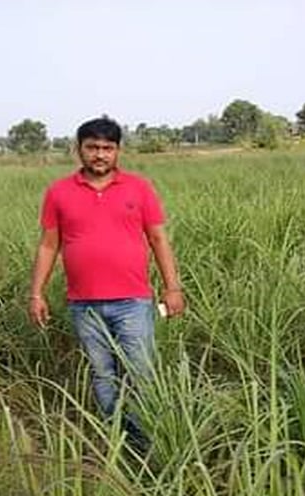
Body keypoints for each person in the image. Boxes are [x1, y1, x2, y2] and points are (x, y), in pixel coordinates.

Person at [27, 116, 184, 449]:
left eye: (107, 148)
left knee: (141, 374)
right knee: (103, 376)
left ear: (118, 151)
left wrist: (173, 289)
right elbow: (48, 245)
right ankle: (117, 441)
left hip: (133, 302)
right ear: (78, 149)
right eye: (92, 147)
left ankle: (145, 444)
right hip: (84, 305)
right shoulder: (59, 192)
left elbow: (158, 238)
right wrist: (36, 293)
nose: (100, 154)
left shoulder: (138, 188)